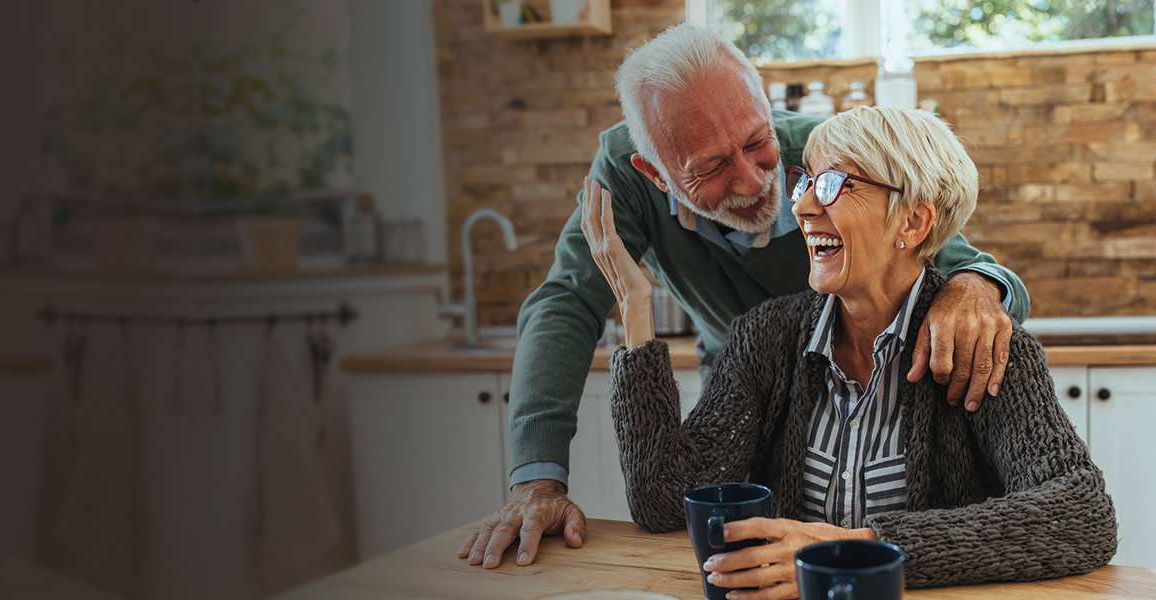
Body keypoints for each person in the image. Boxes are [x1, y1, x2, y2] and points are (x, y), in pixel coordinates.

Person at [459, 23, 1030, 569]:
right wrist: (537, 480)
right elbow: (566, 302)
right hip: (738, 376)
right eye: (710, 168)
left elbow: (968, 265)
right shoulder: (625, 177)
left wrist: (974, 287)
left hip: (879, 376)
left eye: (758, 142)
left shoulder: (824, 159)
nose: (755, 180)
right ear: (655, 175)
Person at [589, 105, 1116, 597]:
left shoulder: (986, 351)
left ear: (912, 222)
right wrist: (637, 310)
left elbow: (1082, 515)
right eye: (807, 181)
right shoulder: (764, 339)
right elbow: (665, 498)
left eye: (835, 183)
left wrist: (855, 550)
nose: (803, 206)